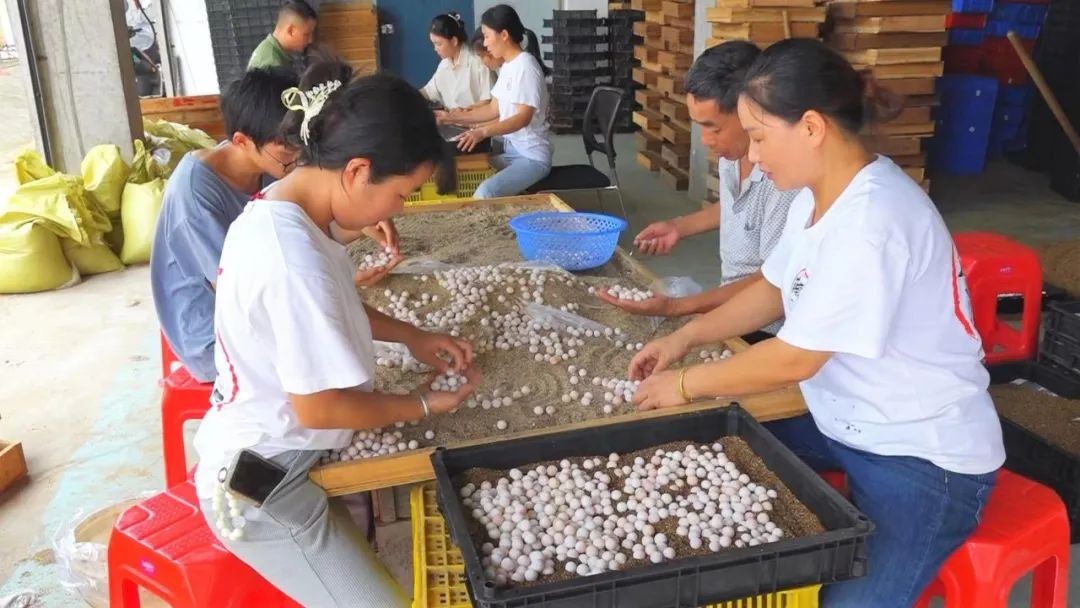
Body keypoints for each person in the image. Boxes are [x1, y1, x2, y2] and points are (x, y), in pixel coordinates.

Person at [629, 39, 1003, 608]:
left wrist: (684, 384)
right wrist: (684, 337)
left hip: (921, 457)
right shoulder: (816, 195)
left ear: (810, 127)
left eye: (759, 137)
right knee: (698, 448)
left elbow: (796, 358)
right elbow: (772, 288)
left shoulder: (872, 221)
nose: (752, 155)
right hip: (841, 422)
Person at [192, 59, 478, 607]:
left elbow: (334, 307)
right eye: (403, 193)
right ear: (357, 171)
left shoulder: (286, 209)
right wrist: (421, 404)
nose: (401, 208)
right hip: (263, 486)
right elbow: (320, 409)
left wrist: (411, 335)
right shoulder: (291, 260)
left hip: (275, 450)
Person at [601, 42, 797, 338]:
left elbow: (769, 287)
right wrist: (678, 227)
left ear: (751, 112)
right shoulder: (733, 155)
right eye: (699, 126)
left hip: (765, 328)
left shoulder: (783, 182)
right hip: (729, 303)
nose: (705, 140)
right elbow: (736, 208)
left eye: (714, 128)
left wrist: (678, 308)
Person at [151, 68, 301, 382]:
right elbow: (238, 291)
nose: (298, 156)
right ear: (242, 141)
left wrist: (360, 223)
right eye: (287, 148)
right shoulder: (195, 194)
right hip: (212, 335)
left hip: (248, 305)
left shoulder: (269, 163)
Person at [447, 5, 552, 199]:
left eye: (487, 36)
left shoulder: (525, 67)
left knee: (486, 192)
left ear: (504, 35)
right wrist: (449, 118)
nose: (485, 43)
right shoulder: (508, 66)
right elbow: (492, 109)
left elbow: (522, 118)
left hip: (531, 156)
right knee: (468, 169)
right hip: (512, 150)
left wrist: (482, 132)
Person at [421, 13, 495, 111]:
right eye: (433, 44)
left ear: (454, 41)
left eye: (438, 44)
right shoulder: (444, 64)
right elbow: (428, 92)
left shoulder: (478, 61)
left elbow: (488, 101)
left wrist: (462, 112)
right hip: (453, 118)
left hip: (476, 118)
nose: (435, 49)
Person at [247, 0, 317, 71]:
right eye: (306, 34)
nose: (310, 40)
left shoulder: (271, 53)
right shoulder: (271, 64)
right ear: (291, 31)